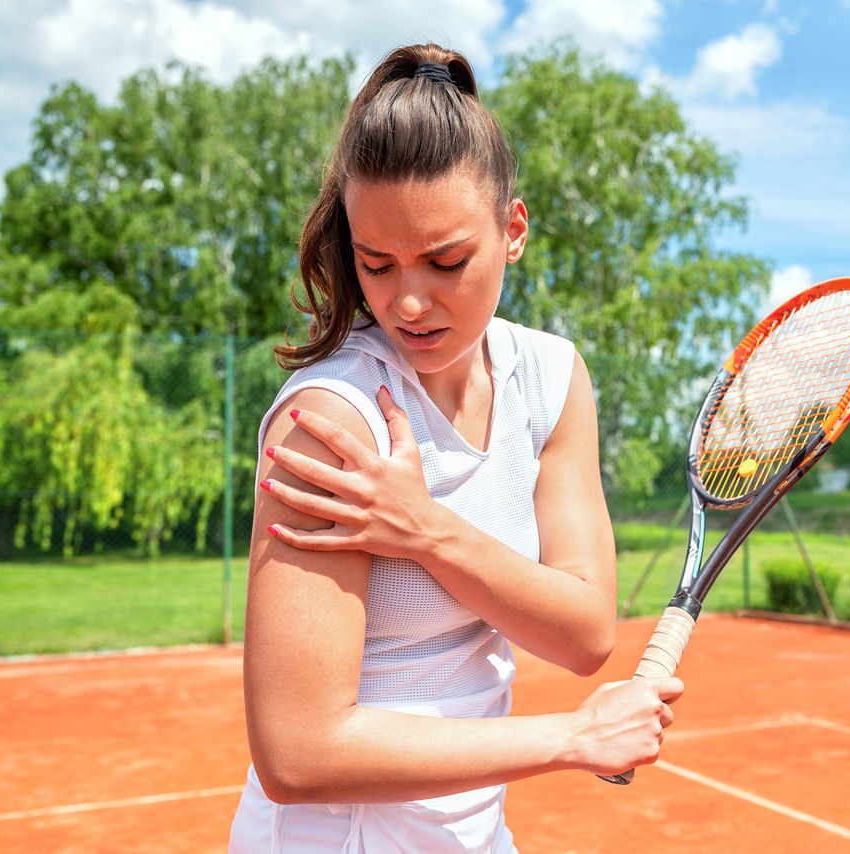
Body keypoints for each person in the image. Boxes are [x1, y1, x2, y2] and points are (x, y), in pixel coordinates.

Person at [228, 43, 683, 853]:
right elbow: (298, 754)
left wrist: (427, 532)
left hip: (475, 834)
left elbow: (583, 632)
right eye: (377, 263)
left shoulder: (550, 377)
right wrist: (569, 739)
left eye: (446, 261)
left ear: (513, 230)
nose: (408, 300)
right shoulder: (330, 423)